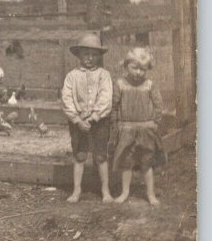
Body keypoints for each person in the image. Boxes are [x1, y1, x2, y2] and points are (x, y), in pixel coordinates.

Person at [61, 33, 114, 203]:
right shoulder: (72, 76)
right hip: (78, 121)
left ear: (99, 56)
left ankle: (105, 190)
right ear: (79, 55)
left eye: (94, 55)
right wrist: (77, 120)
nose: (90, 58)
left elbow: (106, 99)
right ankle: (76, 190)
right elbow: (66, 99)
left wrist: (93, 118)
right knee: (80, 155)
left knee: (100, 155)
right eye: (86, 54)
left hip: (99, 121)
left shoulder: (103, 75)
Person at [111, 48, 166, 206]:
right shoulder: (120, 84)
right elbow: (114, 106)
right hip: (126, 129)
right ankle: (125, 192)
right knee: (126, 162)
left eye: (143, 69)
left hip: (146, 129)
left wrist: (155, 122)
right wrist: (116, 125)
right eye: (134, 68)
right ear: (126, 66)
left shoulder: (149, 85)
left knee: (146, 162)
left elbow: (158, 105)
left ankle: (150, 194)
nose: (138, 72)